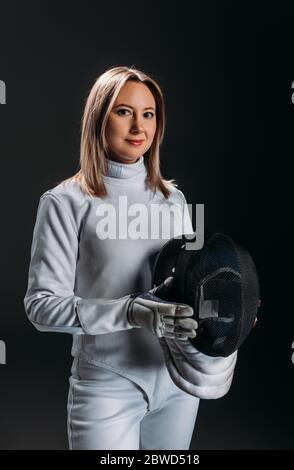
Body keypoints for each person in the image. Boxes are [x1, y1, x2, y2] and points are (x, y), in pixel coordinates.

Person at [23, 66, 207, 450]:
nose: (139, 126)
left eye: (148, 113)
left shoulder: (174, 200)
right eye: (124, 112)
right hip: (106, 382)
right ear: (98, 118)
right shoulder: (65, 201)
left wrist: (229, 304)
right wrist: (130, 311)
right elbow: (40, 308)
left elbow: (194, 284)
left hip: (178, 382)